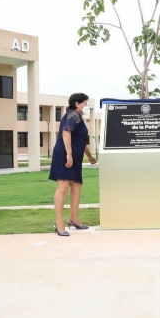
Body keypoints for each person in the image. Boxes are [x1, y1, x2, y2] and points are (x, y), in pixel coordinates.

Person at [49, 93, 97, 236]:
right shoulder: (73, 115)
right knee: (63, 187)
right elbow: (66, 133)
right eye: (85, 103)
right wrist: (68, 155)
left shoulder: (78, 118)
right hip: (65, 154)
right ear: (77, 104)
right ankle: (59, 224)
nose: (86, 106)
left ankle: (74, 219)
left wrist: (89, 156)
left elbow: (81, 141)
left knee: (76, 186)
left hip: (75, 156)